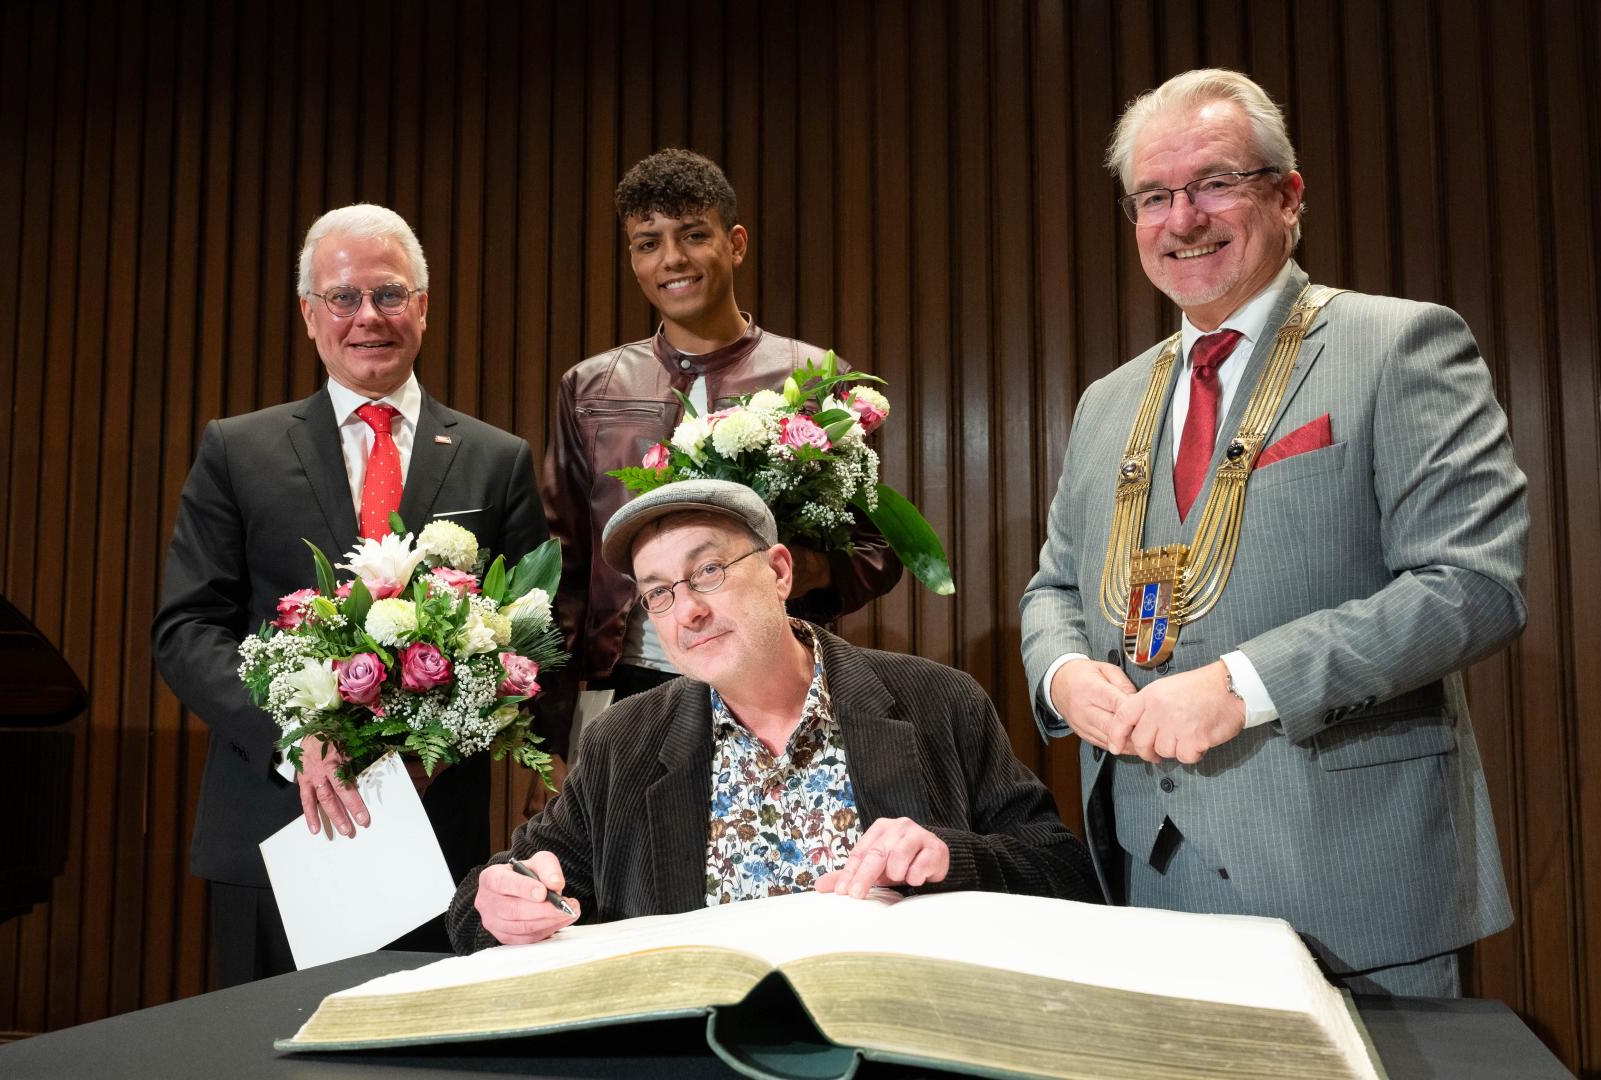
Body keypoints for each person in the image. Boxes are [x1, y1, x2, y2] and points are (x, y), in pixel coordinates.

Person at [1019, 69, 1528, 997]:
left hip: (1349, 884)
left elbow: (1471, 586)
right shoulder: (1105, 404)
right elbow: (1053, 588)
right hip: (1140, 882)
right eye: (1154, 197)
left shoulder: (1401, 344)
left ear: (1288, 196)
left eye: (1215, 184)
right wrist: (1062, 674)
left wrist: (1242, 687)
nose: (1184, 219)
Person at [152, 203, 548, 985]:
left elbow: (533, 638)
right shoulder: (238, 449)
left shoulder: (496, 461)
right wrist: (291, 732)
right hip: (275, 827)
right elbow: (187, 627)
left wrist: (446, 740)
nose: (368, 317)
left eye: (390, 294)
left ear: (423, 308)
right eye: (343, 297)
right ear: (309, 314)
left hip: (435, 832)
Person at [447, 480, 1097, 950]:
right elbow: (481, 901)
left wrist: (950, 859)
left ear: (780, 572)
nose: (689, 611)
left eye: (707, 571)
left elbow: (1065, 874)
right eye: (660, 594)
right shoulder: (624, 744)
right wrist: (502, 904)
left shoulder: (937, 703)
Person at [540, 149, 901, 755]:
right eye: (648, 243)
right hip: (628, 684)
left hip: (777, 675)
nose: (672, 260)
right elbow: (564, 572)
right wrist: (550, 737)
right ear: (632, 258)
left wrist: (786, 570)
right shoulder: (591, 388)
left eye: (693, 236)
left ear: (735, 244)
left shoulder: (814, 377)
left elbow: (875, 550)